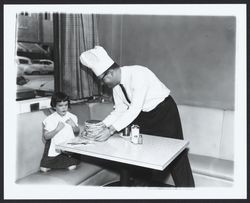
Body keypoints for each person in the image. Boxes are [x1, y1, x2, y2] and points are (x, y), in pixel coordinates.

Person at [80, 46, 195, 187]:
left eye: (102, 80)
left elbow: (134, 109)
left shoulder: (139, 74)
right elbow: (119, 111)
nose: (102, 84)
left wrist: (110, 131)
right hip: (143, 115)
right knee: (138, 153)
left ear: (110, 73)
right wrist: (100, 126)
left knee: (176, 155)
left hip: (164, 113)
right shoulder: (116, 87)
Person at [40, 92, 80, 172]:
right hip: (54, 147)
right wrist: (57, 129)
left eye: (66, 105)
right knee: (43, 169)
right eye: (60, 106)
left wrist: (73, 126)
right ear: (54, 107)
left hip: (68, 148)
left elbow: (77, 132)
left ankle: (67, 163)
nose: (64, 108)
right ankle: (53, 164)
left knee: (72, 167)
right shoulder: (50, 119)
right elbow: (46, 136)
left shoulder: (72, 116)